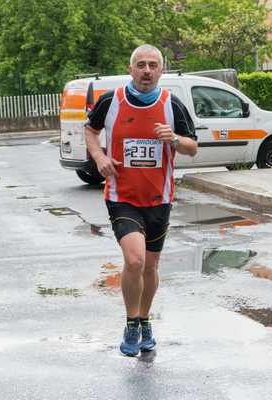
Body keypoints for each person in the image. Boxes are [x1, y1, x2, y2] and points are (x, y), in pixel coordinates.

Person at [84, 44, 198, 357]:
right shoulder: (111, 101)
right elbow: (90, 131)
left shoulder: (171, 104)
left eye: (152, 65)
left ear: (161, 70)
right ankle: (131, 322)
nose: (147, 70)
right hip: (123, 197)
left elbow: (192, 147)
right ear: (131, 68)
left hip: (159, 198)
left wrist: (173, 139)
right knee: (134, 260)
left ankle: (145, 320)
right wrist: (99, 156)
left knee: (151, 266)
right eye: (140, 65)